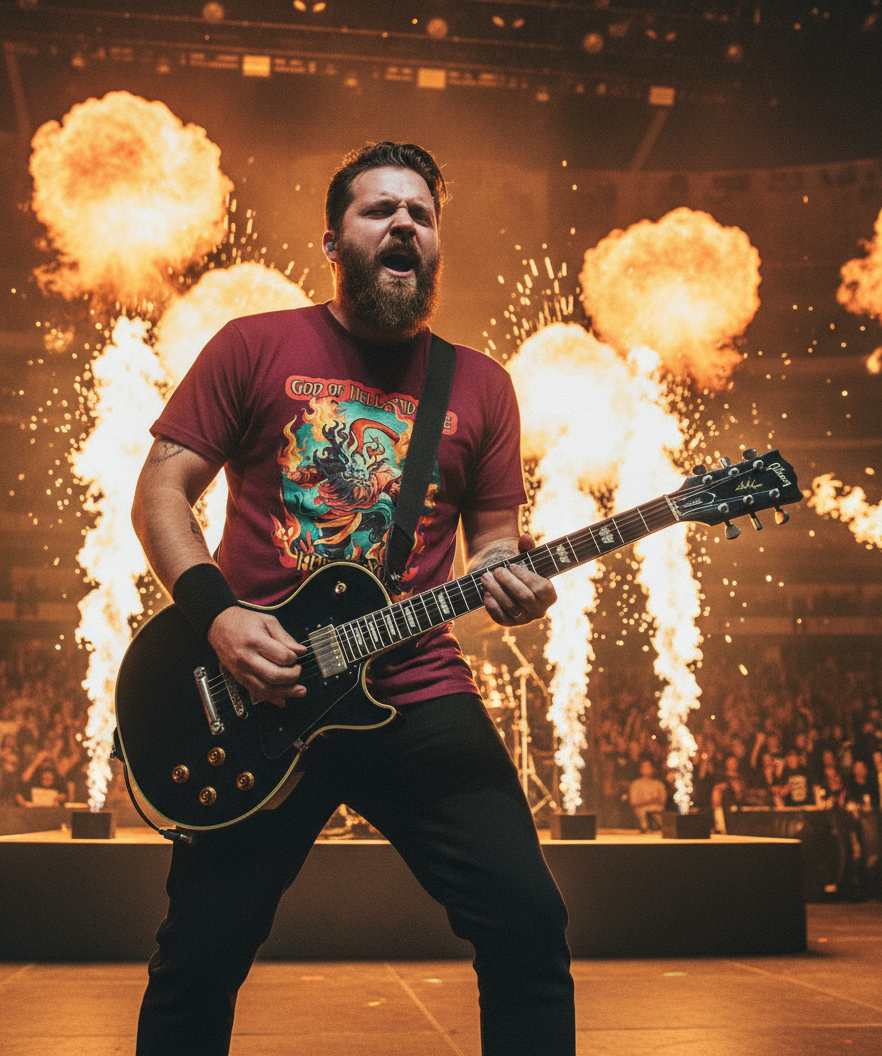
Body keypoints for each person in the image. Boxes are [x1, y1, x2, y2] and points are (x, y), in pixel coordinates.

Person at [129, 142, 575, 1056]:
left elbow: (494, 540)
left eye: (421, 213)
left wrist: (513, 579)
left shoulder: (481, 385)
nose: (404, 222)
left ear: (436, 244)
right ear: (333, 241)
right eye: (379, 209)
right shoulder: (254, 345)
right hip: (259, 693)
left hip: (417, 688)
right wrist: (219, 617)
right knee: (197, 961)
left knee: (529, 924)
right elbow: (160, 493)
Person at [628, 758, 668, 832]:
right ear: (640, 769)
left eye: (649, 767)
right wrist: (648, 801)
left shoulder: (659, 784)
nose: (647, 769)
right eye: (644, 767)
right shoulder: (635, 784)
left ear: (653, 769)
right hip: (642, 811)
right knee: (644, 817)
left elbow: (662, 800)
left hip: (656, 811)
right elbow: (634, 802)